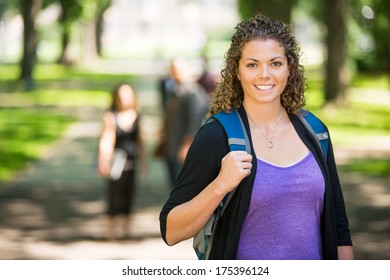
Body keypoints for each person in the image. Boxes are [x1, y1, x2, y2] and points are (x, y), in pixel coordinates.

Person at [159, 14, 353, 260]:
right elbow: (171, 230)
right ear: (237, 71)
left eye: (275, 63)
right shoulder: (217, 136)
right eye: (252, 64)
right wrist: (220, 185)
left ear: (289, 68)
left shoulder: (315, 132)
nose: (264, 74)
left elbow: (339, 226)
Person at [98, 83, 147, 240]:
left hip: (131, 163)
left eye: (127, 95)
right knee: (114, 196)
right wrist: (103, 161)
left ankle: (126, 229)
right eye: (121, 95)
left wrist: (144, 161)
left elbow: (140, 141)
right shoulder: (111, 116)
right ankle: (111, 230)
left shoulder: (137, 115)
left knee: (129, 195)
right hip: (116, 164)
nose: (125, 99)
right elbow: (107, 140)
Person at [155, 57, 209, 188]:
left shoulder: (194, 93)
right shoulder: (174, 91)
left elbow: (194, 123)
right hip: (170, 146)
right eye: (172, 70)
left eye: (177, 70)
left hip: (183, 149)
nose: (174, 73)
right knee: (173, 185)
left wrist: (186, 147)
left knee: (182, 188)